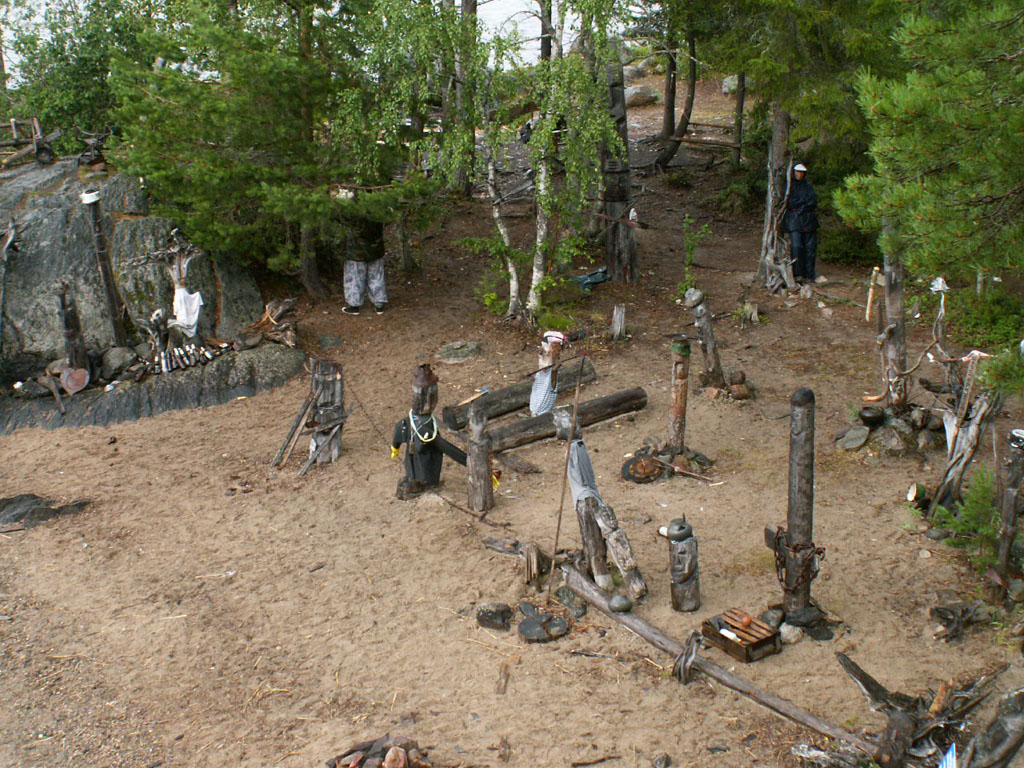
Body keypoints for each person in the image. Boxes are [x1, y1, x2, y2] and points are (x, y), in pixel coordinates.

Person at [391, 364, 467, 500]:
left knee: (427, 464)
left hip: (425, 453)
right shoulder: (417, 424)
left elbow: (399, 429)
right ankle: (418, 483)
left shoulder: (421, 421)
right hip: (420, 453)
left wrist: (395, 446)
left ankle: (422, 481)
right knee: (422, 466)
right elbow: (446, 447)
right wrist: (468, 461)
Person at [783, 163, 819, 284]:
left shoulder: (808, 185)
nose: (800, 174)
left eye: (802, 172)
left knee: (810, 248)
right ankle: (797, 274)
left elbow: (813, 201)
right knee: (796, 247)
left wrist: (801, 205)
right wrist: (802, 204)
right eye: (797, 171)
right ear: (793, 172)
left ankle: (809, 275)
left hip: (809, 220)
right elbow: (789, 202)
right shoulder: (789, 186)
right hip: (794, 220)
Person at [342, 219, 388, 315]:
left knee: (355, 278)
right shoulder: (378, 214)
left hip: (355, 251)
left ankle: (354, 306)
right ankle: (379, 304)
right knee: (376, 276)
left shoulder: (352, 214)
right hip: (376, 250)